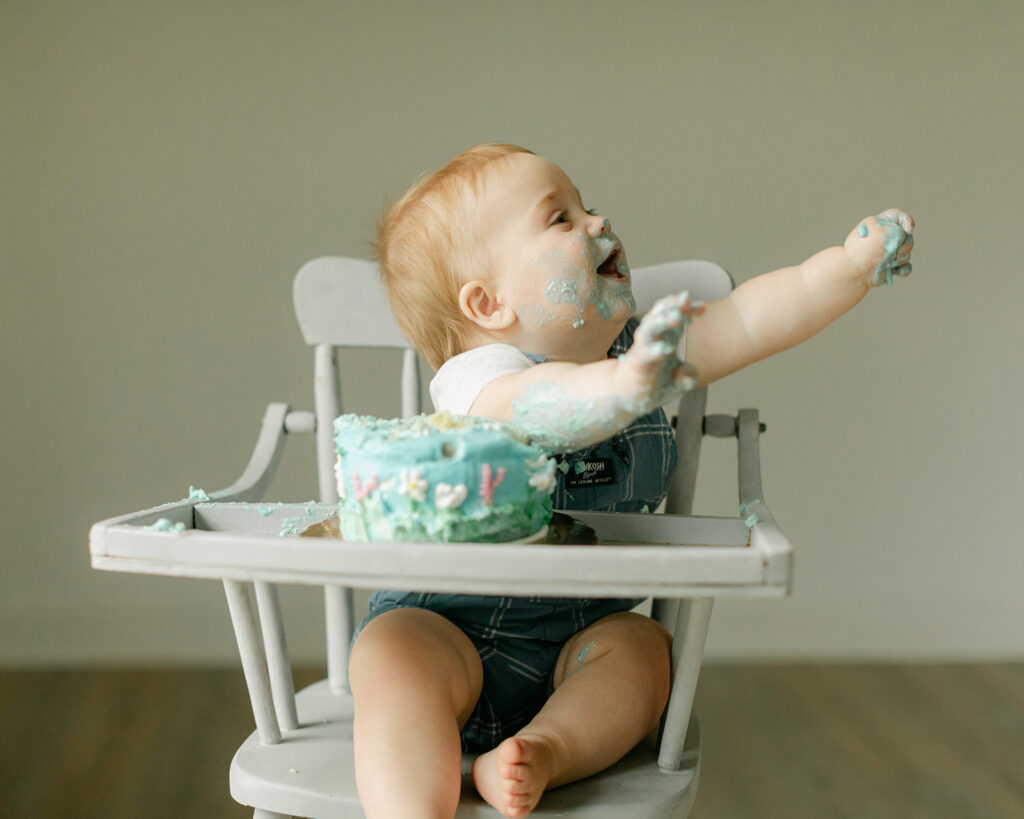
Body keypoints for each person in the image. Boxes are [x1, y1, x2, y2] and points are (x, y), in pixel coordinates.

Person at [348, 143, 915, 818]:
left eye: (586, 204)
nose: (598, 220)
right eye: (560, 218)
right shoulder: (480, 378)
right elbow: (541, 405)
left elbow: (747, 320)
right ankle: (412, 810)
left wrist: (846, 269)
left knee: (646, 652)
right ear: (488, 303)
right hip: (450, 632)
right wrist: (625, 385)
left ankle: (544, 749)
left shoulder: (639, 352)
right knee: (391, 651)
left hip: (580, 644)